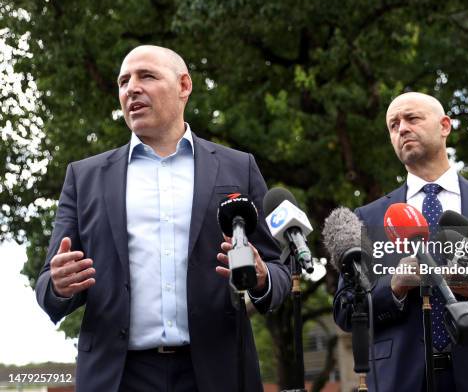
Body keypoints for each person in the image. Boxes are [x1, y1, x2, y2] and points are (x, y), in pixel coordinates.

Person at [35, 45, 290, 392]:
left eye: (147, 76)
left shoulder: (238, 167)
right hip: (118, 376)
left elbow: (278, 269)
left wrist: (262, 278)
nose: (131, 88)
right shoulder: (85, 177)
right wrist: (59, 285)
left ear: (184, 85)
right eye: (123, 81)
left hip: (217, 373)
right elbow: (48, 281)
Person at [333, 92, 468, 391]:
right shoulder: (366, 218)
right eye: (393, 125)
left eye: (412, 118)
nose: (402, 129)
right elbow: (345, 310)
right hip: (400, 379)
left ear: (445, 126)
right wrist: (394, 288)